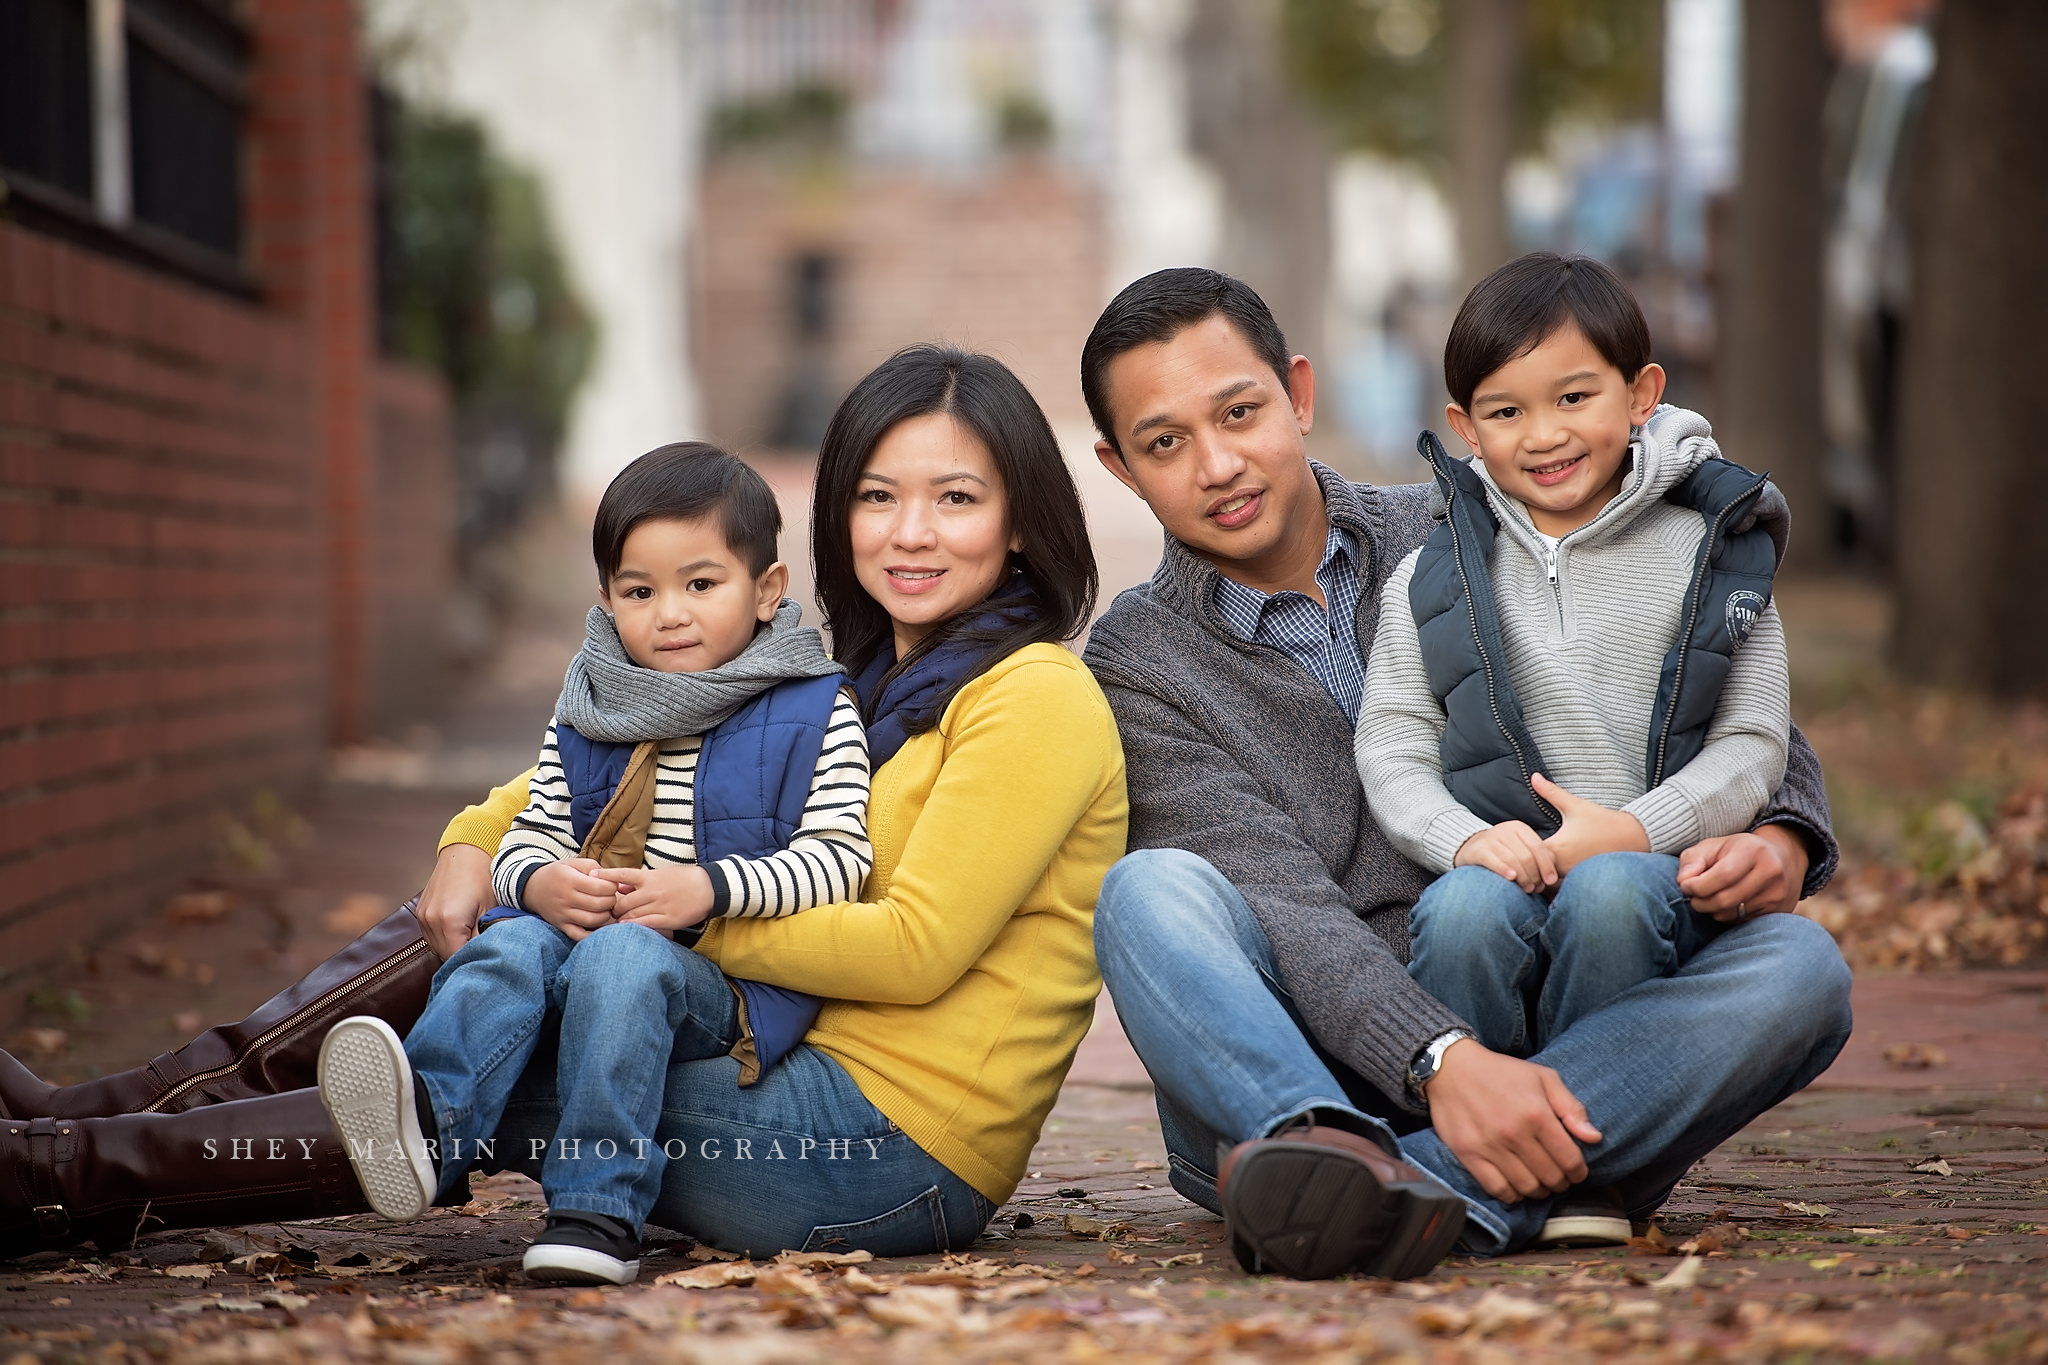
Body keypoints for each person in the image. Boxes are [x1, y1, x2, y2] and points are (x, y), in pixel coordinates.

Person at [0, 345, 1127, 1267]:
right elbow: (593, 772)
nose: (910, 531)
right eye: (878, 497)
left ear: (1020, 521)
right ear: (836, 517)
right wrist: (474, 845)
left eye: (956, 499)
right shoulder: (854, 681)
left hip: (881, 1152)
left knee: (466, 1057)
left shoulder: (1031, 695)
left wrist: (666, 904)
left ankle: (59, 1165)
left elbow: (918, 947)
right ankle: (83, 1134)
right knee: (504, 955)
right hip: (775, 1069)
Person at [1077, 266, 1851, 1279]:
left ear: (1299, 396)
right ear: (1120, 467)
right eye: (1164, 443)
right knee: (1148, 894)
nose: (1217, 464)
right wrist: (1440, 1061)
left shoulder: (1465, 519)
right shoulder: (1140, 661)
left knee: (1801, 975)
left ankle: (1397, 1194)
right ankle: (1402, 1167)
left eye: (1240, 412)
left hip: (1556, 1017)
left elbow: (1692, 662)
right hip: (1309, 1080)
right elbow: (1283, 907)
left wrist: (1783, 830)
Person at [315, 443, 875, 1286]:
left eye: (701, 583)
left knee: (621, 957)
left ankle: (599, 1209)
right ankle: (429, 1131)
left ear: (766, 590)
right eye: (639, 591)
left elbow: (840, 861)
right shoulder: (592, 703)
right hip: (593, 944)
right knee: (507, 946)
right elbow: (530, 831)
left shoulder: (813, 705)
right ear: (608, 600)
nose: (669, 614)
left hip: (720, 987)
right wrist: (537, 880)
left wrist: (711, 886)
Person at [1356, 254, 1794, 1247]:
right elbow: (1390, 739)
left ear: (1639, 395)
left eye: (1573, 396)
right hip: (1496, 865)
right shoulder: (1433, 574)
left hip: (1644, 882)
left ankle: (1591, 1170)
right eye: (1504, 413)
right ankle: (1476, 1148)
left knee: (1615, 893)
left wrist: (1635, 829)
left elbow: (1752, 739)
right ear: (1464, 429)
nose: (1544, 434)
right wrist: (1462, 841)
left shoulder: (1711, 551)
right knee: (1461, 911)